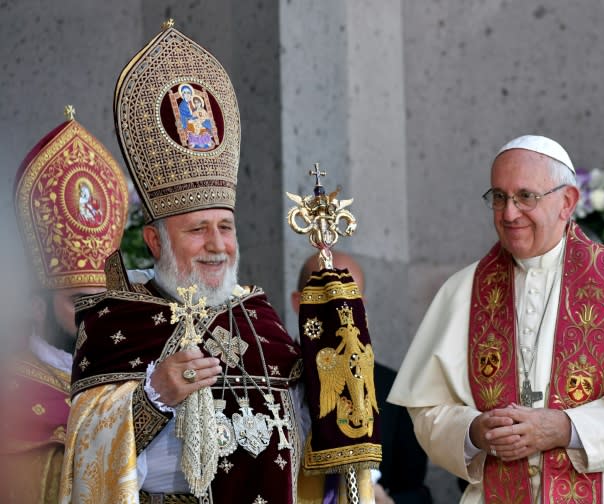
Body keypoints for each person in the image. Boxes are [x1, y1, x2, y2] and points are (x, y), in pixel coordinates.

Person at [59, 22, 376, 504]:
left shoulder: (259, 317)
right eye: (196, 229)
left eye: (225, 227)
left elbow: (305, 443)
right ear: (154, 240)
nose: (216, 244)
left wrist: (336, 366)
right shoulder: (114, 319)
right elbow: (85, 450)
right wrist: (154, 396)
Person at [388, 135, 604, 503]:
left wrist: (567, 428)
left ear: (567, 202)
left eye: (526, 196)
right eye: (499, 197)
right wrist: (473, 432)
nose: (509, 213)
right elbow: (428, 409)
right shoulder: (462, 293)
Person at [0, 107, 128, 503]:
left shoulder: (130, 377)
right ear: (37, 309)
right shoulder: (11, 388)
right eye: (78, 301)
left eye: (101, 300)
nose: (95, 314)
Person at [293, 252, 433, 504]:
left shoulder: (393, 389)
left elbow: (417, 493)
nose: (339, 310)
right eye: (325, 297)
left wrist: (384, 500)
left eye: (351, 300)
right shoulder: (272, 380)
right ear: (298, 303)